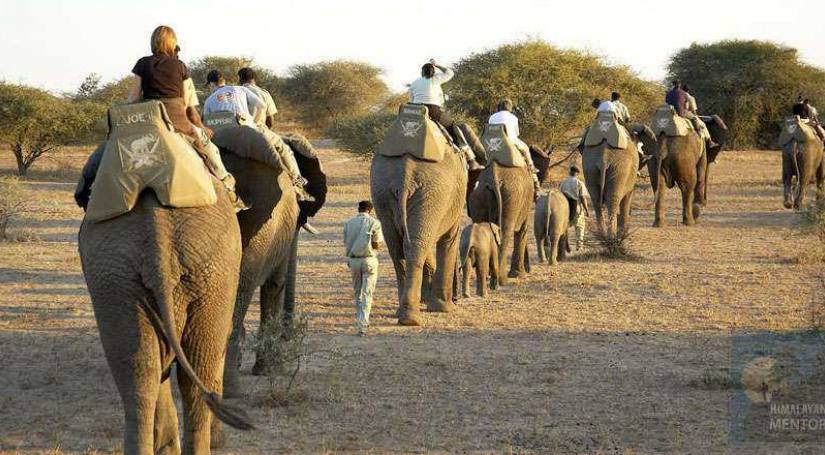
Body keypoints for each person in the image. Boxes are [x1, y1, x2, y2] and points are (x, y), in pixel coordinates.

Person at [127, 25, 242, 207]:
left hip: (150, 123)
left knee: (109, 149)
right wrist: (201, 127)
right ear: (172, 43)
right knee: (211, 150)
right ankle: (229, 188)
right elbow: (188, 104)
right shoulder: (181, 66)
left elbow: (133, 98)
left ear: (153, 42)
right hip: (179, 124)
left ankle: (88, 187)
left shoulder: (142, 63)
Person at [204, 70, 312, 200]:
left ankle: (224, 185)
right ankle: (296, 179)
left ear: (211, 84)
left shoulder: (209, 100)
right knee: (283, 148)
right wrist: (253, 122)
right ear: (223, 80)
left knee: (208, 153)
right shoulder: (238, 89)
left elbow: (207, 123)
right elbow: (261, 105)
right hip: (247, 126)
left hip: (224, 134)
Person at [409, 59, 482, 171]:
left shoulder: (414, 83)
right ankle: (471, 160)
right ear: (433, 72)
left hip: (416, 112)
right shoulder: (435, 79)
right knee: (452, 127)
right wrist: (437, 65)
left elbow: (411, 100)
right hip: (434, 111)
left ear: (422, 73)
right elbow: (450, 73)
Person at [343, 200, 384, 336]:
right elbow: (377, 244)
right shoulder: (374, 223)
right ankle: (363, 324)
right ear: (370, 210)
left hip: (353, 260)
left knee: (358, 292)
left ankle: (360, 320)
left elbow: (346, 242)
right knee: (367, 292)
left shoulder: (348, 223)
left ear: (358, 209)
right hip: (369, 260)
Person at [488, 99, 541, 196]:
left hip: (492, 144)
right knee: (525, 149)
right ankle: (535, 179)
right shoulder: (513, 118)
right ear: (510, 108)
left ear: (499, 108)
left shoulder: (492, 117)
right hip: (510, 141)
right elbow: (516, 134)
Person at [559, 166, 591, 251]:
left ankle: (563, 246)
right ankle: (579, 247)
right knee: (580, 227)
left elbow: (559, 195)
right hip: (577, 207)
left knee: (564, 227)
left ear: (570, 172)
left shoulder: (563, 182)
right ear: (577, 173)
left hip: (565, 207)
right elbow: (583, 197)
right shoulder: (579, 183)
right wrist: (586, 210)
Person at [682, 84, 717, 148]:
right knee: (703, 124)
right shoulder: (690, 98)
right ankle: (709, 141)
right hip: (687, 114)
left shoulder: (679, 96)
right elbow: (694, 111)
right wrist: (696, 116)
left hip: (677, 114)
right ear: (688, 90)